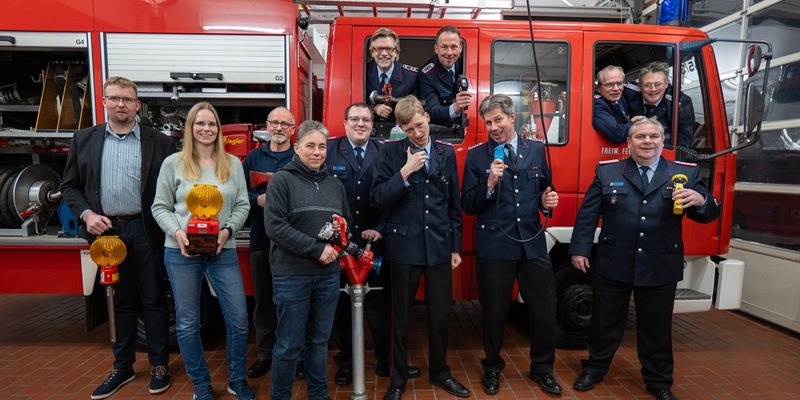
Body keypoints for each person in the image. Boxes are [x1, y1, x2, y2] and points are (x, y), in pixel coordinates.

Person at [569, 118, 721, 400]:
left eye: (653, 136)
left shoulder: (683, 173)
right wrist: (579, 249)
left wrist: (701, 201)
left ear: (663, 141)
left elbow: (709, 213)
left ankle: (659, 381)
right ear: (629, 143)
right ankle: (595, 368)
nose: (647, 141)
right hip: (614, 260)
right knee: (604, 321)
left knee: (656, 327)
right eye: (640, 137)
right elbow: (588, 213)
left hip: (659, 262)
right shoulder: (608, 171)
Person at [61, 76, 175, 400]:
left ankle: (159, 366)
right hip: (107, 232)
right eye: (114, 98)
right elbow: (70, 186)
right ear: (104, 102)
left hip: (145, 229)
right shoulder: (84, 140)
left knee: (154, 299)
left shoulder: (160, 142)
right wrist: (87, 215)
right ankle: (123, 366)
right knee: (120, 301)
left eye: (127, 99)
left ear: (137, 105)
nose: (121, 104)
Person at [461, 93, 562, 395]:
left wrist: (548, 202)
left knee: (544, 308)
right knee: (493, 311)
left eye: (498, 120)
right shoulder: (478, 156)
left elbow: (546, 190)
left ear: (512, 117)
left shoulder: (536, 150)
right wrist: (488, 184)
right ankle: (492, 367)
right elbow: (468, 204)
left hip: (531, 244)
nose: (493, 127)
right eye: (488, 122)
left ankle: (543, 369)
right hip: (495, 246)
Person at [151, 102, 253, 400]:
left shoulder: (232, 164)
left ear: (219, 129)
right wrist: (179, 233)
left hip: (223, 250)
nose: (206, 129)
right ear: (190, 128)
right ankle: (201, 385)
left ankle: (237, 379)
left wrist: (227, 231)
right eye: (200, 123)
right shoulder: (173, 164)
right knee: (187, 322)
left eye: (212, 124)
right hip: (181, 253)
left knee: (238, 319)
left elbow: (243, 205)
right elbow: (160, 207)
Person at [370, 95, 469, 400]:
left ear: (427, 117)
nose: (417, 132)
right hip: (403, 247)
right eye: (409, 129)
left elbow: (454, 205)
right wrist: (405, 172)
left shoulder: (445, 153)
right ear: (400, 128)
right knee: (400, 317)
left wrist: (455, 247)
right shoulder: (390, 154)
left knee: (440, 316)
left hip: (438, 246)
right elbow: (377, 198)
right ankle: (397, 379)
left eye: (420, 125)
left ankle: (440, 372)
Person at [326, 102, 422, 386]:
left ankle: (385, 361)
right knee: (341, 305)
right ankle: (345, 363)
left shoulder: (387, 152)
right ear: (344, 123)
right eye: (354, 119)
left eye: (366, 120)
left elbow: (393, 198)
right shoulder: (328, 151)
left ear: (373, 124)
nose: (360, 124)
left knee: (382, 306)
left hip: (375, 244)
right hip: (339, 244)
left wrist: (380, 229)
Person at [264, 120, 351, 400]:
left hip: (327, 275)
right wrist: (317, 249)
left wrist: (338, 244)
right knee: (289, 345)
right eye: (310, 145)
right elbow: (275, 227)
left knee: (319, 342)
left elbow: (345, 223)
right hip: (292, 275)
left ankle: (319, 395)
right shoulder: (281, 180)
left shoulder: (335, 185)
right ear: (297, 146)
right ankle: (280, 396)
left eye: (322, 146)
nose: (317, 152)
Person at [242, 107, 296, 379]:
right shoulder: (253, 158)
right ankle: (265, 355)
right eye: (274, 123)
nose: (278, 128)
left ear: (293, 129)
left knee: (290, 303)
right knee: (264, 302)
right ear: (267, 126)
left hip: (292, 247)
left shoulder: (300, 157)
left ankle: (292, 357)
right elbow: (238, 196)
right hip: (261, 242)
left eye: (284, 124)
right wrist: (257, 201)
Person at [623, 61, 696, 148]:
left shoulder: (679, 102)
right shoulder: (627, 96)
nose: (653, 89)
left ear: (666, 84)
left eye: (658, 84)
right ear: (640, 86)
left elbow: (685, 140)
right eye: (647, 85)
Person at [417, 25, 473, 126]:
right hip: (445, 130)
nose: (449, 53)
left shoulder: (467, 63)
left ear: (460, 48)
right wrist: (456, 107)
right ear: (436, 48)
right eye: (444, 47)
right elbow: (432, 112)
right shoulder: (426, 75)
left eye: (454, 47)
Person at [365, 27, 418, 126]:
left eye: (389, 49)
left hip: (401, 130)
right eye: (379, 49)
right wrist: (374, 108)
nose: (384, 53)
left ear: (396, 52)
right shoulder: (362, 71)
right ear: (372, 52)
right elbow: (354, 102)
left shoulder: (411, 76)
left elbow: (417, 108)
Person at [593, 65, 634, 143]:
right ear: (598, 88)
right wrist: (637, 124)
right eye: (609, 84)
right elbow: (618, 134)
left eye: (619, 83)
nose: (616, 89)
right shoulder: (596, 105)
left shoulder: (621, 100)